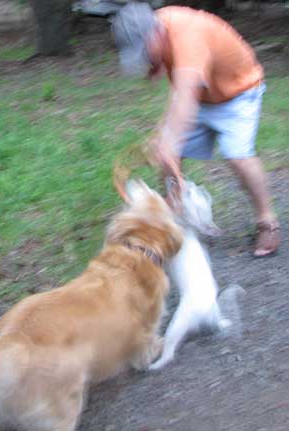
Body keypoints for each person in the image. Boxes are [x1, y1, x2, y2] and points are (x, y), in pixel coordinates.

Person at [112, 2, 280, 257]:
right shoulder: (155, 24)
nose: (143, 60)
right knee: (169, 154)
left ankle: (267, 221)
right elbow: (182, 88)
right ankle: (175, 220)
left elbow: (185, 100)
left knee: (237, 155)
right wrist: (164, 141)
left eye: (144, 52)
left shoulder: (187, 36)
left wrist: (167, 141)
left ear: (154, 34)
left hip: (239, 91)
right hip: (200, 93)